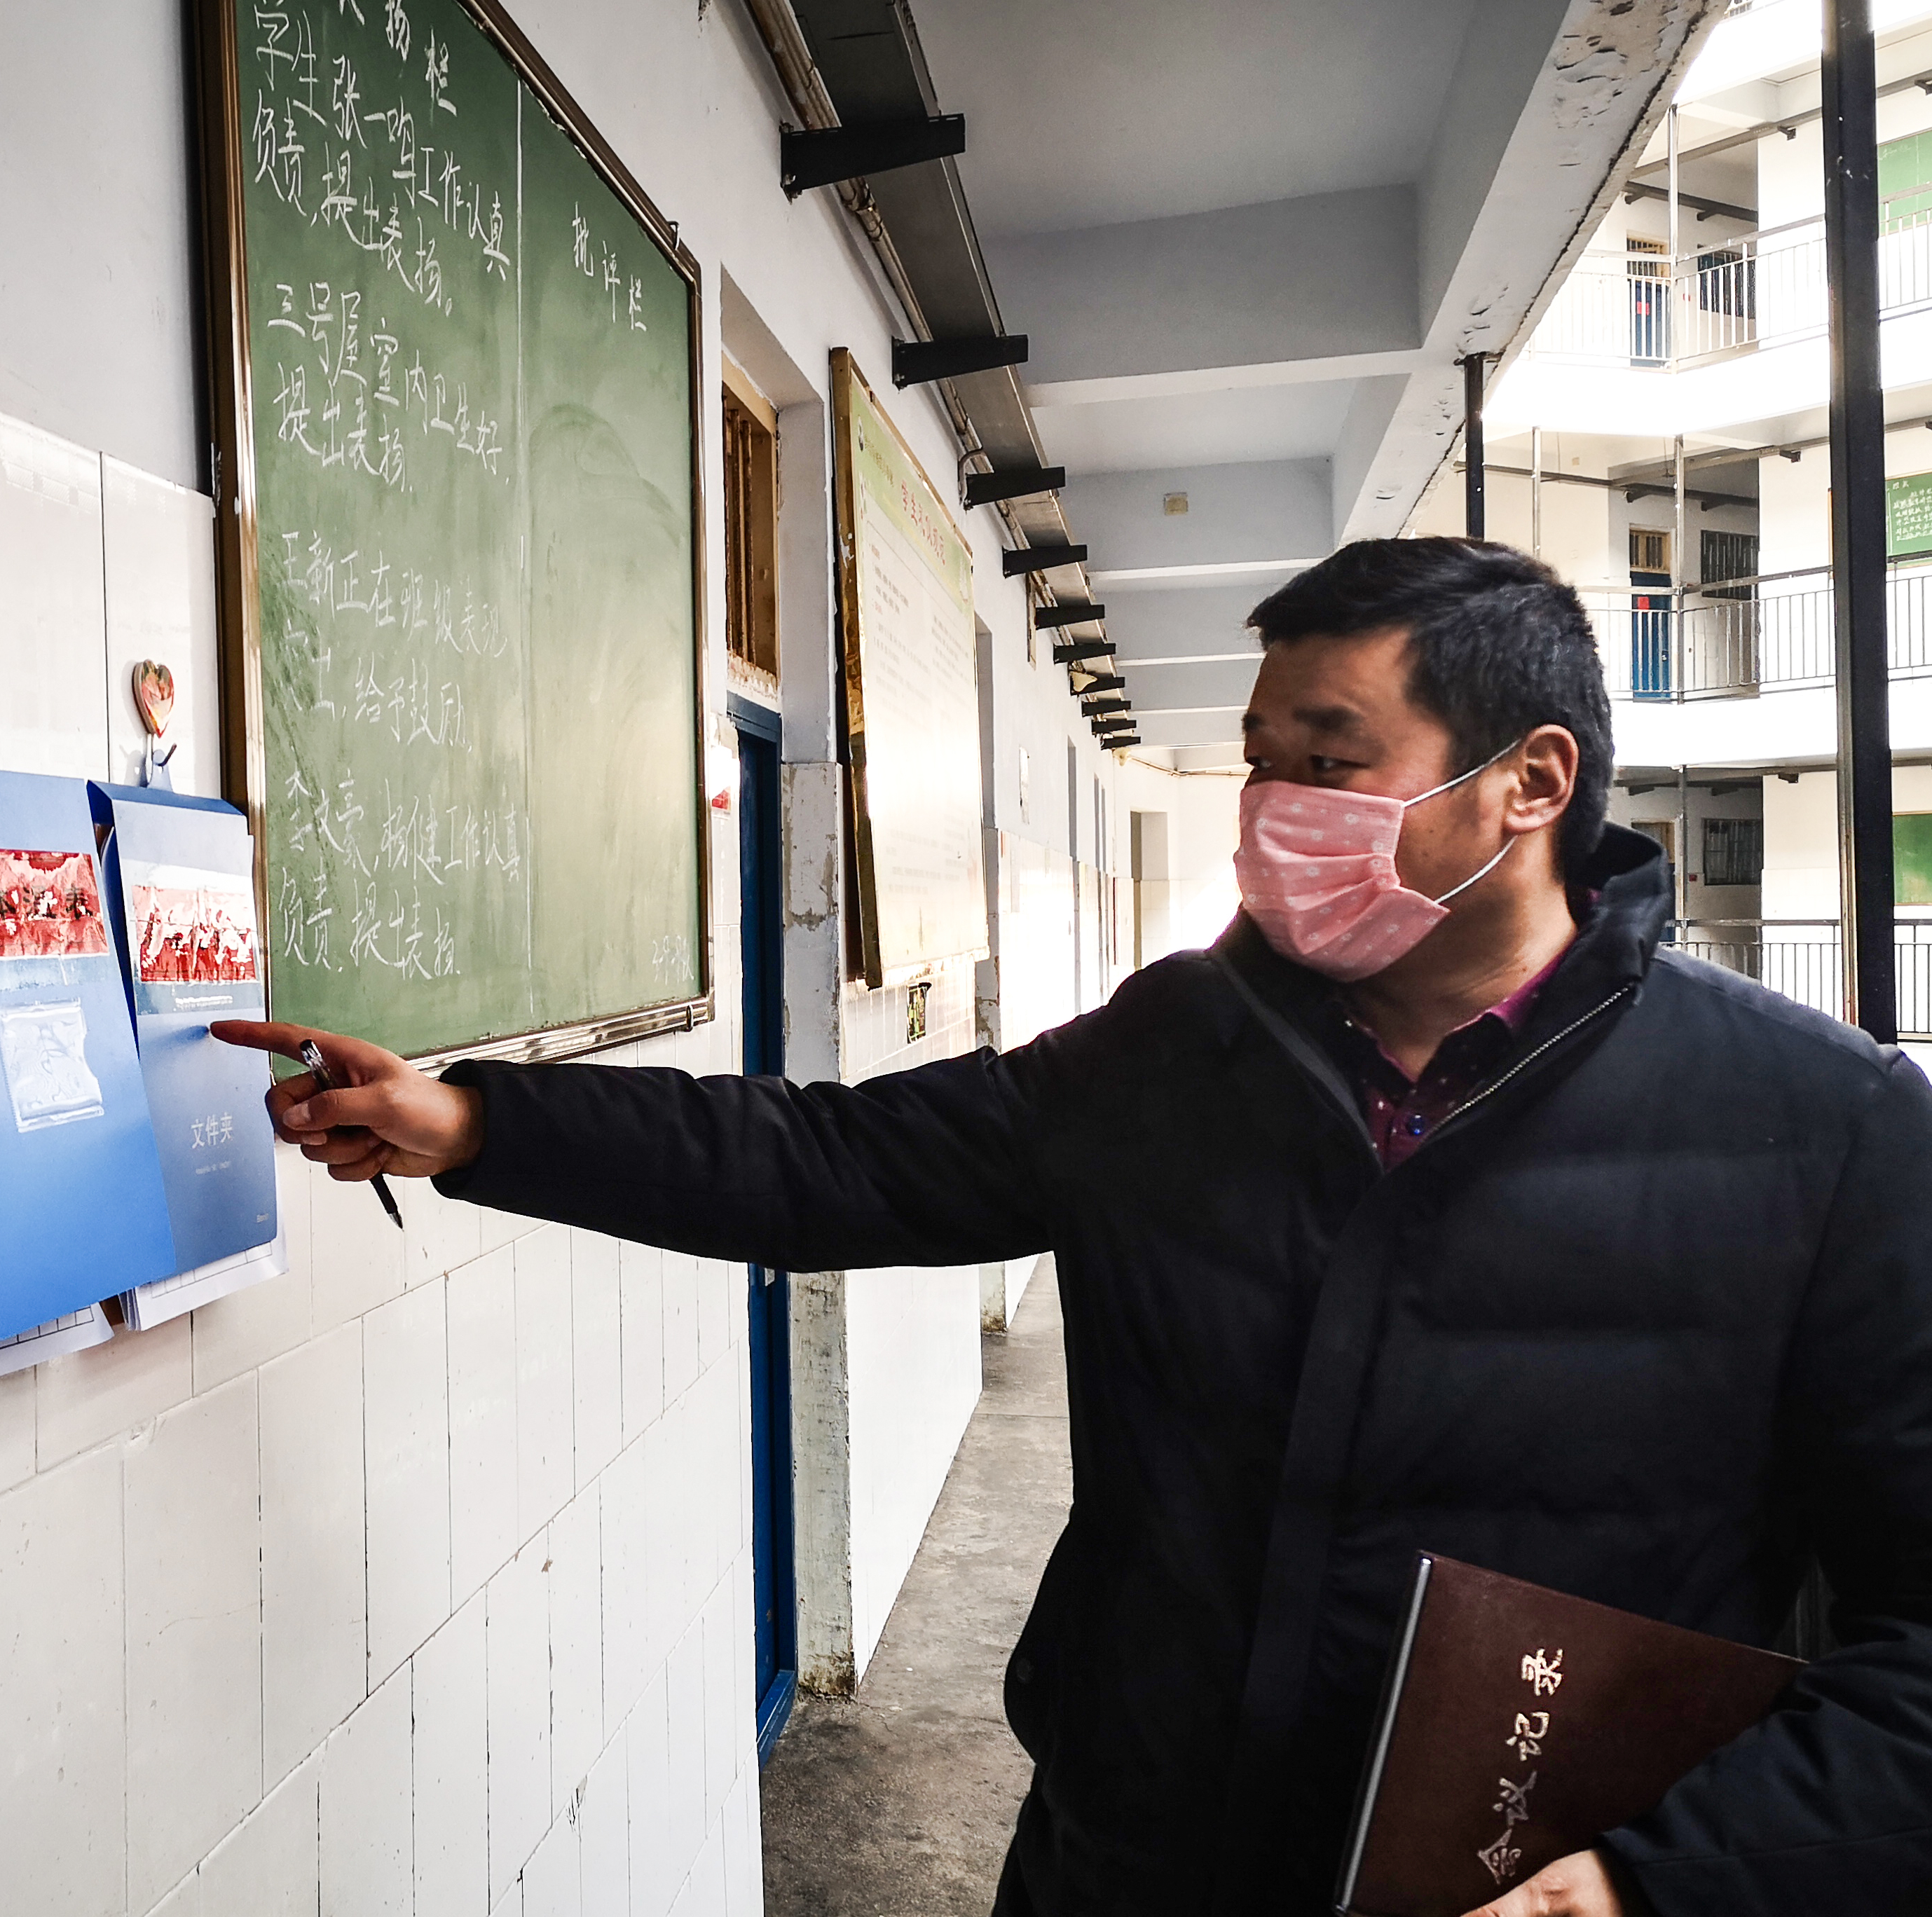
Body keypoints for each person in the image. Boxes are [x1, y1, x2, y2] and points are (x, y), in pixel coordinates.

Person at [215, 539, 1932, 1917]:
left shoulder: (1822, 1128)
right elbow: (841, 1162)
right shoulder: (1182, 1049)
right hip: (1132, 1851)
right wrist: (482, 1124)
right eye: (1258, 765)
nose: (1274, 814)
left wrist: (1665, 1880)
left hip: (1526, 1878)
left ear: (1529, 782)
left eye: (1329, 765)